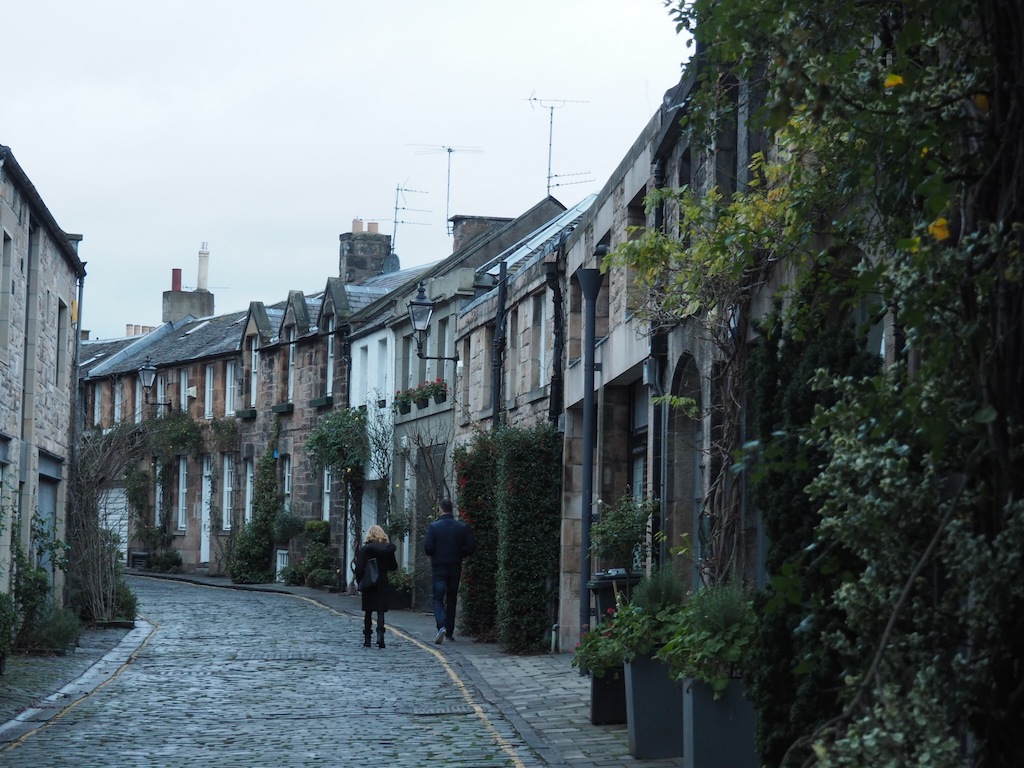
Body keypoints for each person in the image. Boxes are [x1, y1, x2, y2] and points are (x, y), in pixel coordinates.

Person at [424, 498, 476, 644]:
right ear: (452, 509)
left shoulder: (434, 527)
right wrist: (460, 553)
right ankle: (450, 632)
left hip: (439, 567)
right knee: (452, 598)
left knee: (437, 598)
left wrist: (436, 553)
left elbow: (428, 548)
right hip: (455, 567)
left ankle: (441, 626)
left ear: (440, 509)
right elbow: (471, 547)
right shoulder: (461, 527)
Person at [354, 525, 398, 648]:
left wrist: (360, 581)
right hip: (382, 582)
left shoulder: (366, 550)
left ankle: (367, 639)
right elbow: (393, 567)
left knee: (368, 612)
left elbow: (359, 569)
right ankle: (380, 636)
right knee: (380, 611)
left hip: (369, 583)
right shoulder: (388, 549)